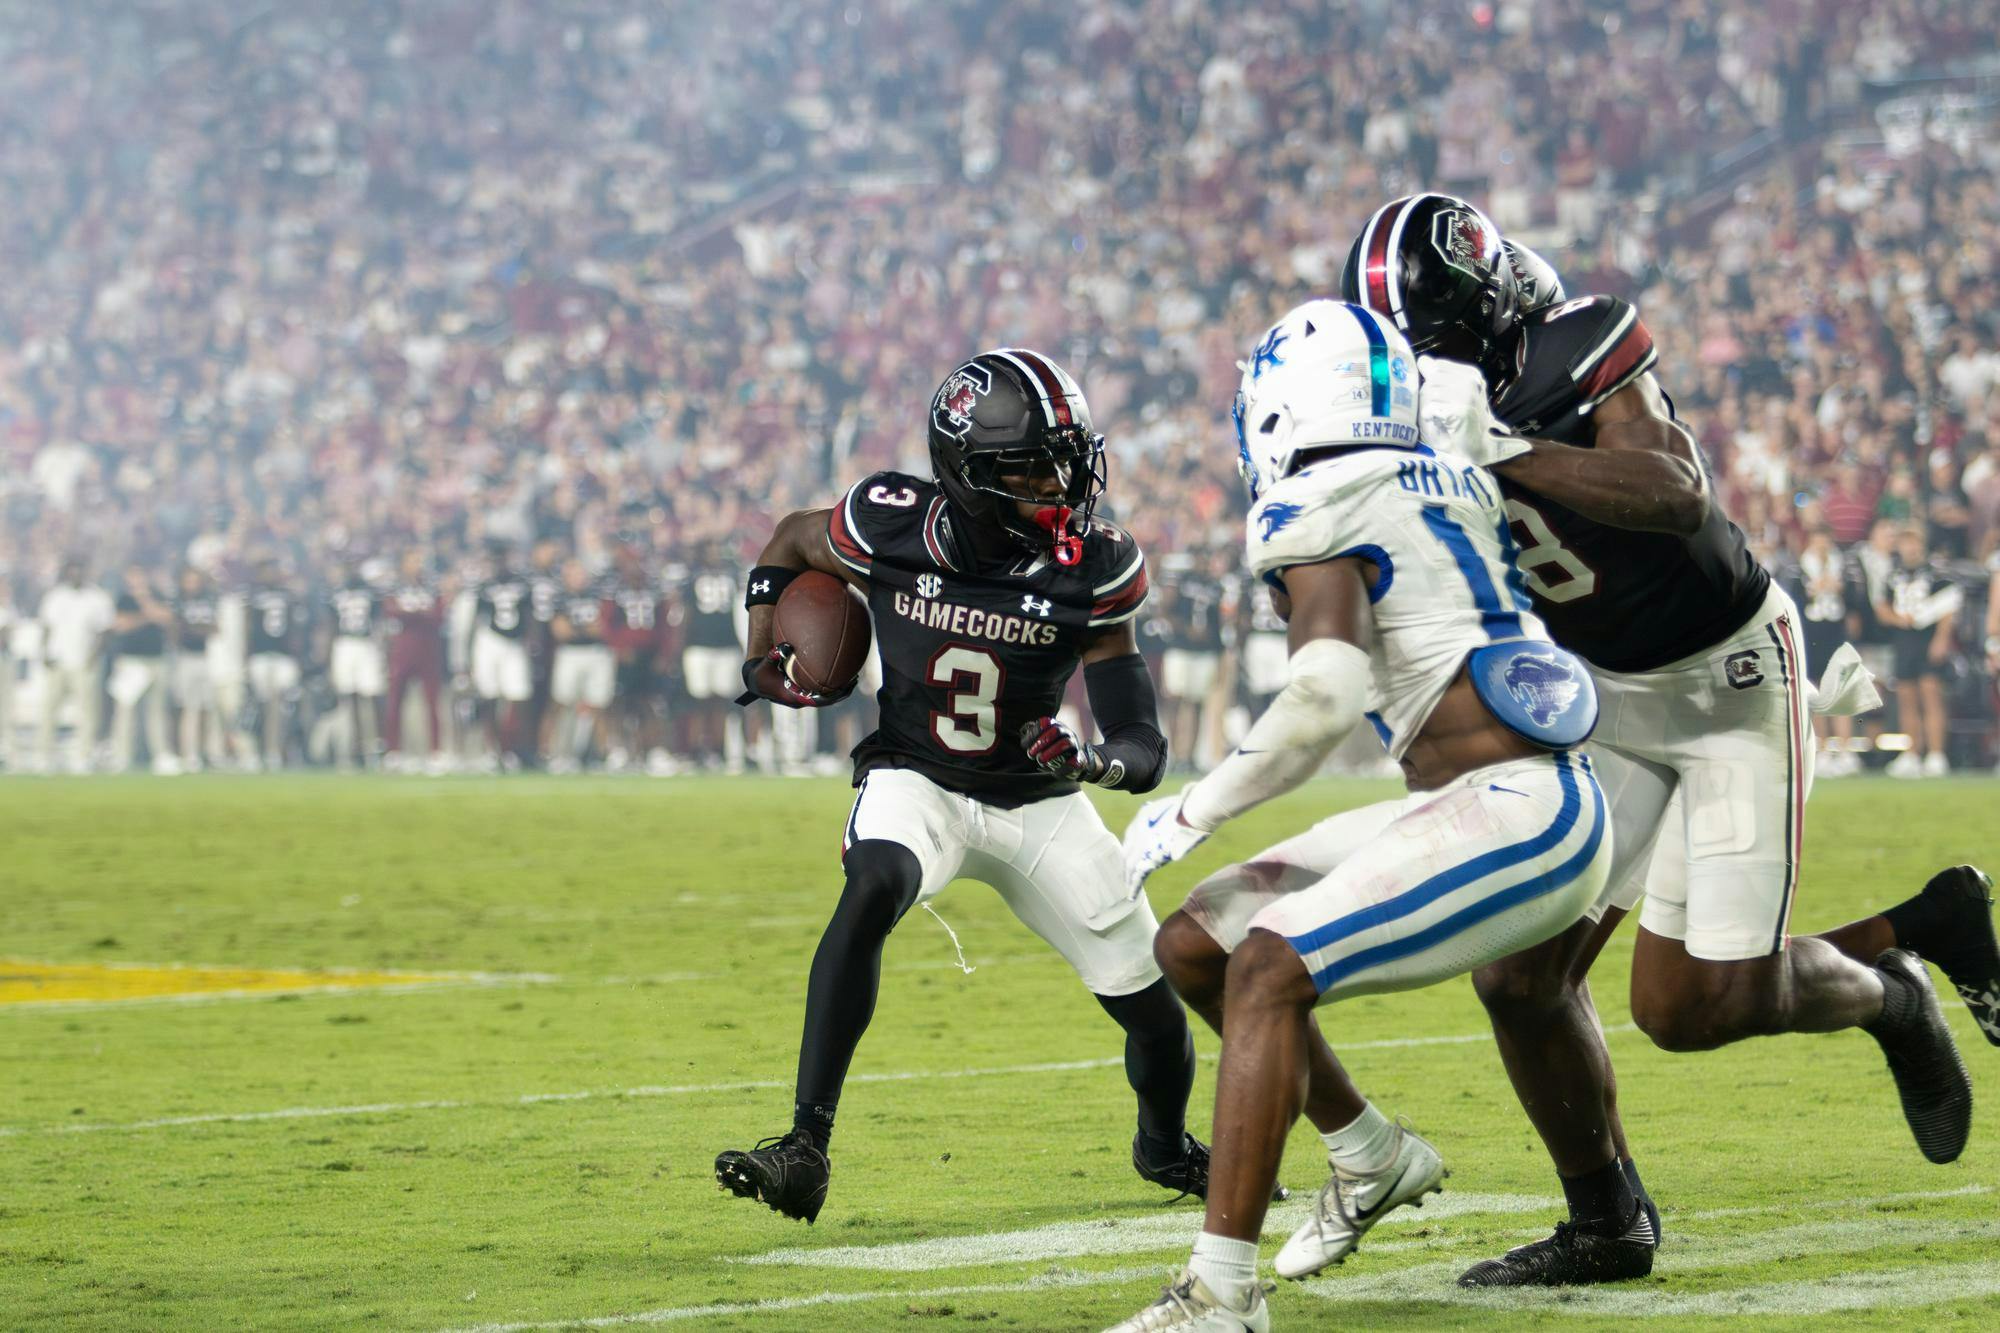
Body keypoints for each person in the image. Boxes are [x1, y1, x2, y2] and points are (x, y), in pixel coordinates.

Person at [1346, 193, 1984, 1286]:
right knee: (1515, 978)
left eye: (1436, 349)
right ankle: (1605, 1222)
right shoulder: (1402, 416)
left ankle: (1896, 979)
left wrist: (1504, 452)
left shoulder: (1578, 343)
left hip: (1728, 684)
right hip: (1601, 700)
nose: (1423, 373)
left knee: (1691, 1011)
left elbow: (1674, 492)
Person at [1109, 300, 1613, 1332]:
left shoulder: (1316, 495)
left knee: (1266, 968)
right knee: (1197, 944)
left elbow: (1322, 697)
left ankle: (1218, 1292)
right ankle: (1368, 1153)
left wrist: (1191, 811)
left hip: (1516, 806)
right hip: (1499, 791)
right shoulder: (1446, 468)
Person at [715, 347, 1194, 1226]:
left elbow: (1143, 743)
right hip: (918, 775)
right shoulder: (890, 521)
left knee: (1157, 1015)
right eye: (1031, 464)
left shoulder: (1094, 564)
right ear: (967, 474)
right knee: (875, 885)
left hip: (1040, 802)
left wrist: (1094, 761)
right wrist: (757, 647)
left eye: (1066, 457)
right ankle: (804, 1144)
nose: (1060, 481)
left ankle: (1163, 1145)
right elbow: (788, 536)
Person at [1877, 527, 1960, 778]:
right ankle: (1912, 753)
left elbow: (1949, 609)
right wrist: (1897, 618)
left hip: (1928, 637)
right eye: (1906, 543)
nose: (1910, 548)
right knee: (1905, 697)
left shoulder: (1937, 574)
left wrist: (1942, 638)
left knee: (1931, 694)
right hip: (1904, 640)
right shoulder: (1893, 576)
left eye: (1914, 543)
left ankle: (1936, 754)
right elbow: (1881, 606)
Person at [36, 558, 114, 773]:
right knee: (49, 710)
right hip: (57, 659)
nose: (75, 574)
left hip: (84, 661)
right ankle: (45, 756)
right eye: (72, 570)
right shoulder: (55, 597)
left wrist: (93, 656)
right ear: (66, 572)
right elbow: (46, 627)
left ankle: (83, 757)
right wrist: (44, 652)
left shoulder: (97, 598)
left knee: (87, 712)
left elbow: (104, 631)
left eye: (79, 569)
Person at [383, 550, 449, 771]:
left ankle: (435, 751)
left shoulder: (432, 588)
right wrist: (421, 614)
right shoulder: (395, 588)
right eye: (413, 560)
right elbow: (392, 612)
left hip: (428, 651)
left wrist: (411, 614)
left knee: (432, 703)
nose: (417, 565)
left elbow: (439, 616)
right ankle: (394, 751)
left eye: (419, 560)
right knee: (395, 702)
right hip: (402, 651)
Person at [107, 564, 175, 773]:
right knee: (126, 712)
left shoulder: (157, 596)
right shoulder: (123, 599)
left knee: (156, 711)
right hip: (130, 662)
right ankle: (121, 756)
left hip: (156, 659)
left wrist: (145, 602)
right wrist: (147, 616)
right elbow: (121, 625)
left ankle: (161, 755)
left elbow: (167, 618)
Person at [548, 559, 614, 770]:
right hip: (570, 654)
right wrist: (586, 629)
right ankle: (555, 753)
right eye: (573, 574)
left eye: (581, 573)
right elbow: (561, 632)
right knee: (561, 702)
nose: (578, 578)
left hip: (596, 653)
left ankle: (602, 754)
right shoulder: (559, 598)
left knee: (598, 705)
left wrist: (577, 629)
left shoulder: (598, 596)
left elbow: (602, 628)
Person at [244, 556, 305, 771]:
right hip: (261, 656)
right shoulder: (252, 596)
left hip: (283, 657)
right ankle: (260, 750)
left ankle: (277, 751)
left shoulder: (289, 596)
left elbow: (297, 629)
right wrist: (246, 658)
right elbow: (247, 628)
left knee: (282, 705)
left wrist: (297, 656)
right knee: (260, 705)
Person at [327, 563, 387, 770]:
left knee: (370, 696)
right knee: (349, 697)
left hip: (365, 643)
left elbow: (379, 623)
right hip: (345, 644)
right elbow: (330, 624)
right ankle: (354, 748)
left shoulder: (370, 594)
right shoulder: (337, 594)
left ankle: (374, 746)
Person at [171, 567, 223, 770]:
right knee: (187, 707)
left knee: (206, 707)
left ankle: (205, 751)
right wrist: (199, 629)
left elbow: (216, 628)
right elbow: (179, 629)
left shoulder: (209, 601)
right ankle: (188, 753)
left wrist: (197, 629)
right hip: (186, 658)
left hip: (206, 657)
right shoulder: (178, 602)